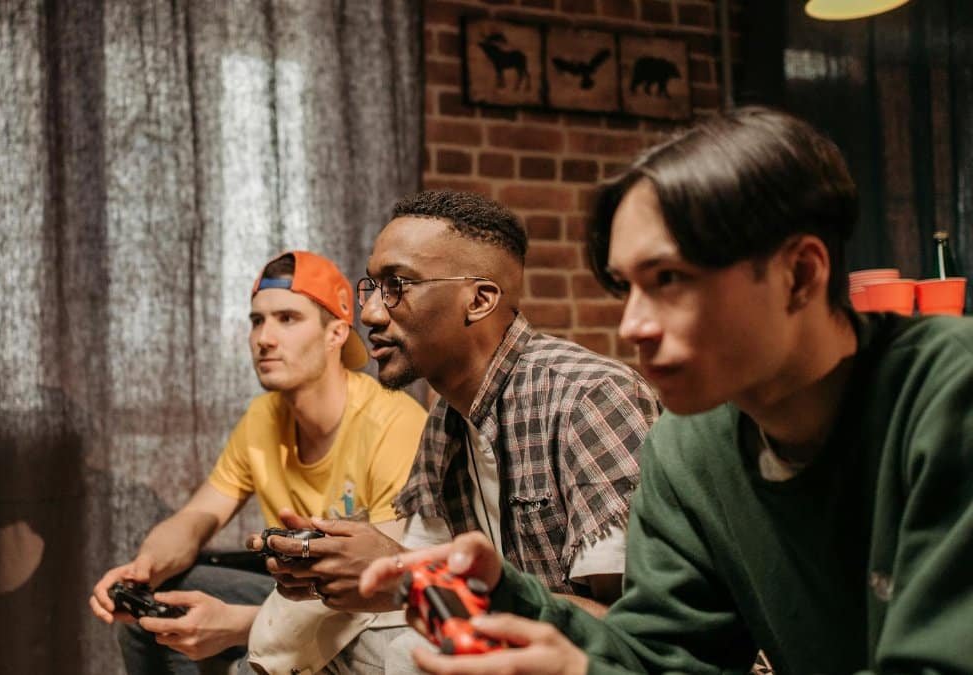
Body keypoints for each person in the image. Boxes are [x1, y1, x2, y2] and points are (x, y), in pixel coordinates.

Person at [359, 107, 973, 674]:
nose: (633, 326)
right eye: (627, 287)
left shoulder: (949, 394)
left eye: (671, 279)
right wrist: (513, 600)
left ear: (801, 274)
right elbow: (664, 654)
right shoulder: (688, 446)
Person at [258, 191, 658, 627]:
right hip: (506, 653)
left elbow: (637, 634)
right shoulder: (444, 424)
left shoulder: (588, 397)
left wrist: (412, 578)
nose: (370, 313)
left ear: (480, 300)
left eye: (397, 286)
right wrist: (328, 562)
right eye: (372, 286)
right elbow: (423, 562)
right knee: (299, 629)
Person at [90, 251, 428, 674]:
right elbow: (197, 516)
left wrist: (241, 627)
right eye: (257, 321)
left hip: (376, 611)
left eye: (287, 318)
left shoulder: (393, 423)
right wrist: (145, 570)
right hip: (295, 592)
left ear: (336, 334)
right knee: (153, 611)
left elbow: (379, 591)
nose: (264, 338)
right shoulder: (263, 417)